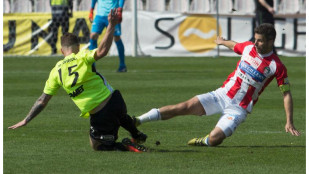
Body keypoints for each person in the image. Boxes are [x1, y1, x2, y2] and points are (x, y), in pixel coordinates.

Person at [134, 23, 300, 147]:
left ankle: (203, 141)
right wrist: (223, 41)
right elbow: (235, 45)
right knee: (183, 106)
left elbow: (286, 94)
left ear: (271, 41)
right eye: (255, 40)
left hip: (239, 108)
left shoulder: (276, 66)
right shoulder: (248, 47)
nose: (255, 44)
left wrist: (289, 122)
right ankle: (138, 120)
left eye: (260, 41)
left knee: (215, 139)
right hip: (221, 95)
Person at [9, 9, 147, 152]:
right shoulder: (83, 56)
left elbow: (42, 101)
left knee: (97, 145)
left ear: (62, 51)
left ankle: (128, 145)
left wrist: (26, 119)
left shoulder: (56, 71)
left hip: (101, 114)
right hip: (117, 101)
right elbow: (102, 51)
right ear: (78, 47)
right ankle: (136, 133)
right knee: (120, 115)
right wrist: (111, 25)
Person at [88, 0, 127, 72]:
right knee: (93, 36)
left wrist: (120, 9)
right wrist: (91, 10)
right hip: (100, 15)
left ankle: (122, 65)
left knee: (116, 38)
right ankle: (92, 65)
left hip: (112, 15)